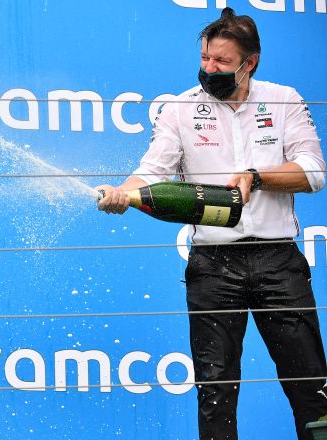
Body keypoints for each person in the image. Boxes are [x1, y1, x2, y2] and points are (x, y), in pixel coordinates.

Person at [96, 8, 327, 440]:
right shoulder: (180, 109)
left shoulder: (284, 99)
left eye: (221, 61)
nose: (209, 68)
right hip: (213, 265)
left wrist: (256, 178)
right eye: (204, 58)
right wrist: (122, 194)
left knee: (312, 389)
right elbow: (152, 171)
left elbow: (314, 172)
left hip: (279, 262)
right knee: (215, 394)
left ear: (249, 63)